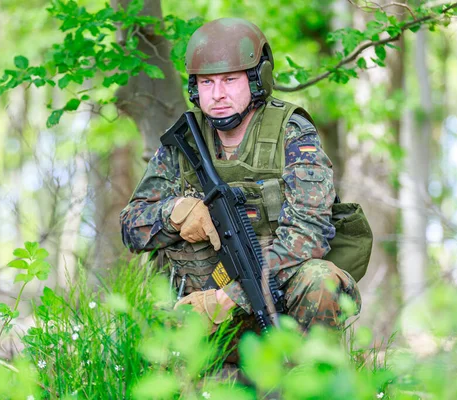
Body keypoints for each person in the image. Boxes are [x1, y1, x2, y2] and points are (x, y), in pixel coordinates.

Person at [120, 18, 361, 337]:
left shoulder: (291, 134)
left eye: (230, 80)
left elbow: (310, 234)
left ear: (257, 79)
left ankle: (311, 376)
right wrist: (174, 213)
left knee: (320, 278)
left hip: (275, 306)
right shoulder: (185, 143)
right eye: (207, 83)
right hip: (199, 304)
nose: (217, 95)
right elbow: (130, 227)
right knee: (139, 329)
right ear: (195, 87)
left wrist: (230, 298)